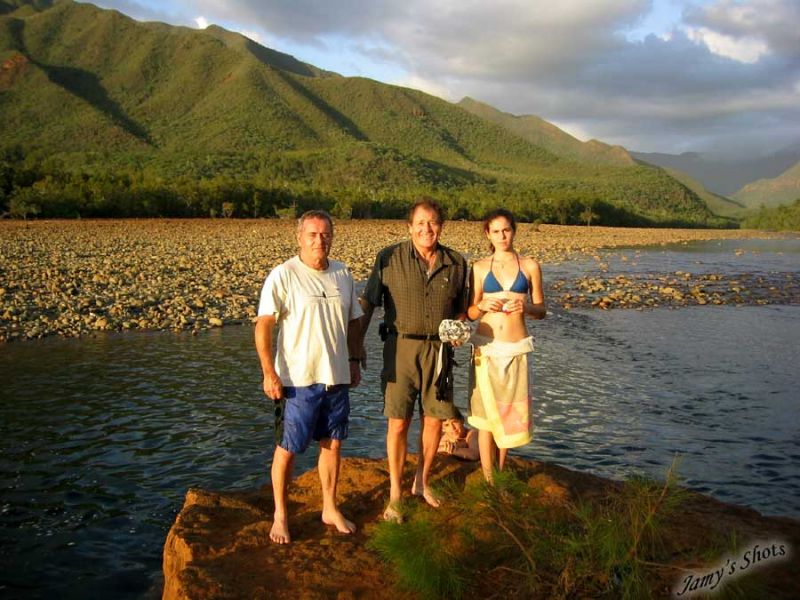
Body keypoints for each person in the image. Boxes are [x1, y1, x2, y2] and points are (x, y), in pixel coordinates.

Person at [254, 210, 363, 544]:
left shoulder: (343, 273)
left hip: (336, 377)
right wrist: (268, 372)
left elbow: (354, 320)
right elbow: (264, 325)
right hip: (297, 380)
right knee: (287, 447)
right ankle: (280, 516)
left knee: (332, 444)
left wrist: (355, 359)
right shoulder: (283, 275)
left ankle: (329, 507)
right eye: (313, 234)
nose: (320, 240)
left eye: (325, 234)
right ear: (299, 237)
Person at [360, 198, 468, 522]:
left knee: (434, 419)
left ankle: (421, 481)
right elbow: (367, 303)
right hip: (400, 348)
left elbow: (462, 310)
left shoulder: (457, 262)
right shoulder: (389, 258)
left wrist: (462, 327)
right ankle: (395, 493)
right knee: (398, 422)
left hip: (440, 352)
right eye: (420, 223)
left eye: (432, 222)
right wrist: (355, 346)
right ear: (409, 227)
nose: (426, 229)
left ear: (441, 226)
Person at [466, 209, 545, 482]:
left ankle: (500, 472)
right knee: (487, 414)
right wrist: (481, 305)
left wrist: (525, 306)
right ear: (488, 234)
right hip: (486, 348)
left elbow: (542, 309)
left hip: (516, 348)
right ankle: (489, 479)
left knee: (510, 411)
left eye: (506, 230)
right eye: (496, 231)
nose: (502, 236)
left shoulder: (530, 265)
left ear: (514, 231)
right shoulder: (478, 267)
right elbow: (471, 312)